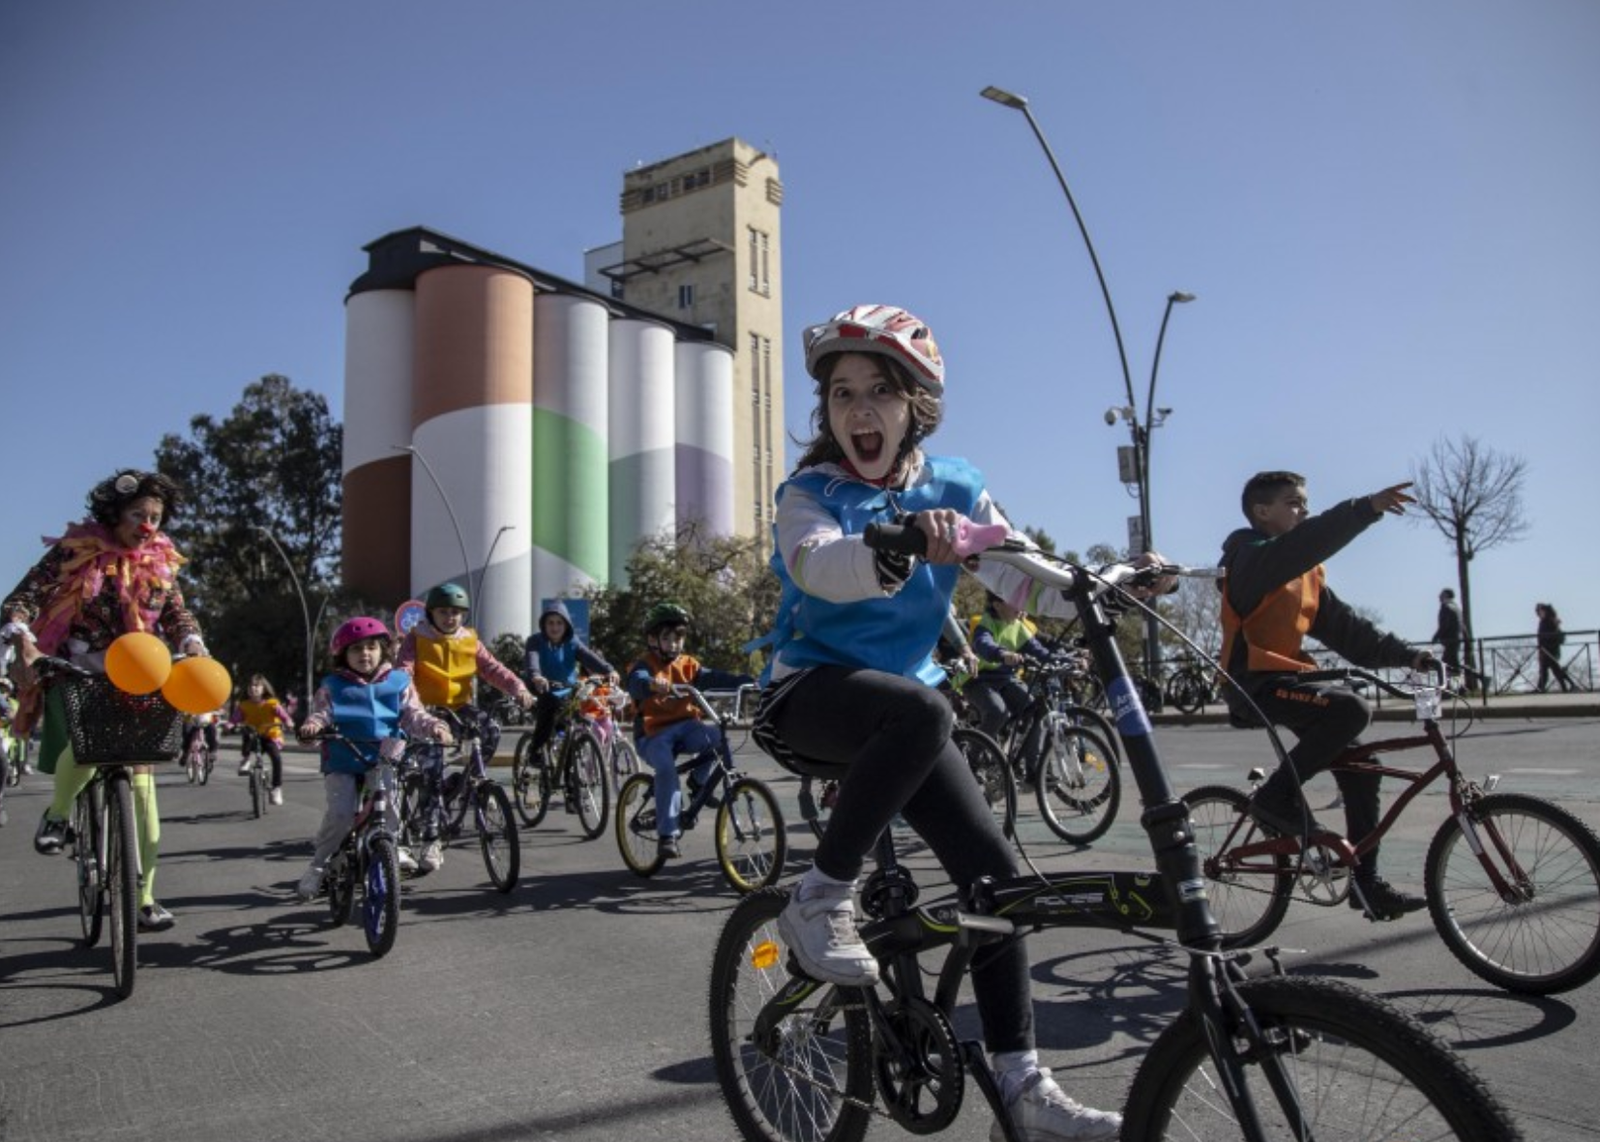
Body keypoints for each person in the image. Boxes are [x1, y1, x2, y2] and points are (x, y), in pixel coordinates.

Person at [751, 304, 1143, 1142]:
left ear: (915, 406)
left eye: (880, 393)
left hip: (907, 720)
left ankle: (1023, 1089)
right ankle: (819, 898)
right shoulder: (809, 493)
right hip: (810, 698)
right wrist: (893, 547)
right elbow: (818, 566)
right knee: (925, 708)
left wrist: (1102, 590)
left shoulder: (956, 486)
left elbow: (1018, 576)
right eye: (842, 394)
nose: (858, 412)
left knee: (999, 887)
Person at [1219, 470, 1435, 922]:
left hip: (1288, 683)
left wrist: (1408, 655)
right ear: (1262, 512)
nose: (1305, 511)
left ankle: (1366, 885)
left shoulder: (1305, 576)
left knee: (1363, 767)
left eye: (1305, 503)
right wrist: (1363, 509)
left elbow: (1351, 633)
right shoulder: (1250, 558)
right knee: (1351, 708)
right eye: (1294, 503)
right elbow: (1304, 544)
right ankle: (1275, 800)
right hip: (1253, 684)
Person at [1, 469, 209, 931]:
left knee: (142, 787)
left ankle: (144, 899)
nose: (148, 524)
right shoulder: (76, 551)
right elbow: (23, 598)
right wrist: (24, 639)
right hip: (81, 669)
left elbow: (176, 613)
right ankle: (57, 816)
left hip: (141, 673)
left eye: (155, 516)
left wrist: (191, 641)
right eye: (138, 514)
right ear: (115, 513)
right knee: (91, 744)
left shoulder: (161, 562)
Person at [294, 617, 451, 901]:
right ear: (344, 655)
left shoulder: (399, 681)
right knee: (340, 815)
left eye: (371, 647)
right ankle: (318, 866)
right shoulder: (332, 686)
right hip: (343, 758)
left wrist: (435, 726)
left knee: (389, 805)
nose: (364, 654)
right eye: (356, 649)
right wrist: (313, 727)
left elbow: (413, 714)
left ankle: (390, 847)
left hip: (384, 758)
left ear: (383, 650)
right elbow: (321, 714)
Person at [394, 582, 534, 872]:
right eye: (444, 612)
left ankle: (464, 781)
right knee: (431, 770)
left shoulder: (470, 639)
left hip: (458, 708)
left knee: (491, 729)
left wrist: (518, 689)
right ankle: (431, 838)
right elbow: (403, 673)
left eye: (457, 613)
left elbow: (493, 668)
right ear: (431, 613)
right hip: (426, 711)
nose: (450, 618)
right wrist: (413, 707)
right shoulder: (415, 638)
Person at [626, 602, 752, 860]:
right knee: (666, 771)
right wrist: (652, 683)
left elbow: (716, 677)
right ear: (652, 640)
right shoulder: (645, 664)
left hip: (686, 727)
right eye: (667, 638)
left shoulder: (689, 665)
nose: (673, 644)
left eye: (678, 638)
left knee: (717, 739)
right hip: (653, 733)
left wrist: (749, 681)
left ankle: (698, 781)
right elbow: (636, 683)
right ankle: (667, 835)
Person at [965, 591, 1051, 769]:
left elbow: (1041, 652)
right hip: (977, 679)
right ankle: (971, 759)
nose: (1021, 607)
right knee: (997, 712)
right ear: (998, 605)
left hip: (1004, 679)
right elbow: (983, 644)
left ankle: (1030, 767)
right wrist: (1002, 654)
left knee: (1035, 710)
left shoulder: (1018, 626)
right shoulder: (986, 622)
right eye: (1016, 601)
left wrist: (1072, 659)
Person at [523, 599, 618, 757]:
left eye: (559, 623)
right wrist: (536, 676)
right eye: (550, 623)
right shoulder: (535, 641)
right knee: (548, 710)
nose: (555, 627)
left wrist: (610, 671)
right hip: (541, 686)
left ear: (566, 625)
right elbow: (532, 661)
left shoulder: (572, 641)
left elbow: (589, 657)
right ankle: (535, 750)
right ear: (544, 625)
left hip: (566, 687)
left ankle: (568, 775)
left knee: (570, 729)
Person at [231, 673, 293, 803]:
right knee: (247, 732)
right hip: (254, 735)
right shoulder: (244, 705)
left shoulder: (272, 703)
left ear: (263, 689)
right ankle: (245, 760)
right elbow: (235, 719)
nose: (253, 688)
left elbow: (284, 716)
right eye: (250, 686)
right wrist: (230, 724)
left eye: (256, 686)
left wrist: (288, 722)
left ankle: (276, 788)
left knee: (276, 758)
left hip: (270, 736)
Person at [1535, 602, 1576, 693]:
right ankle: (1541, 688)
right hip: (1545, 649)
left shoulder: (1550, 621)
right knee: (1546, 670)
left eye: (1540, 611)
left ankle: (1567, 686)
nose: (1539, 613)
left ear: (1545, 611)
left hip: (1551, 649)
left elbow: (1552, 635)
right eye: (1538, 612)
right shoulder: (1544, 621)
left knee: (1552, 670)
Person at [1432, 588, 1465, 683]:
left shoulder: (1445, 607)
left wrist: (1436, 637)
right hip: (1456, 640)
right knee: (1452, 666)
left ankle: (1446, 690)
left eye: (1441, 594)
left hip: (1450, 640)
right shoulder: (1457, 607)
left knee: (1443, 666)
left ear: (1446, 596)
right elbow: (1462, 625)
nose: (1439, 596)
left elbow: (1444, 625)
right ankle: (1459, 687)